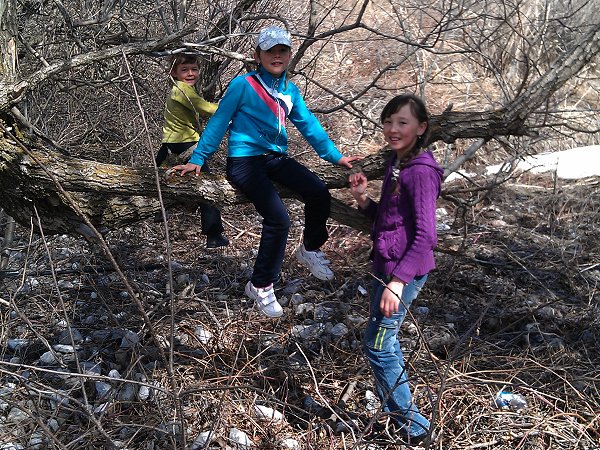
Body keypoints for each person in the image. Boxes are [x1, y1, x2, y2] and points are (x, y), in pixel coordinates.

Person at [173, 25, 360, 318]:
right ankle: (260, 285)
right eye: (270, 50)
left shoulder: (289, 90)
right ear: (257, 55)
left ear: (288, 54)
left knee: (318, 191)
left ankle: (310, 248)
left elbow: (309, 125)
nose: (276, 55)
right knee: (279, 219)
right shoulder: (243, 85)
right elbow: (219, 121)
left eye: (282, 50)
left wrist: (334, 156)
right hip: (245, 161)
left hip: (275, 158)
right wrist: (199, 158)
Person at [349, 94, 443, 444]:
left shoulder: (420, 171)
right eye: (388, 121)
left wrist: (398, 282)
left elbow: (425, 236)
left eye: (402, 122)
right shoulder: (398, 162)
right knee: (382, 342)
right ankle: (399, 417)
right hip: (389, 266)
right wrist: (363, 200)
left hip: (403, 272)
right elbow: (391, 222)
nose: (393, 129)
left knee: (378, 345)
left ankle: (414, 428)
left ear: (421, 129)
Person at [157, 54, 229, 249]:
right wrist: (230, 107)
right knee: (208, 188)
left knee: (157, 179)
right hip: (185, 144)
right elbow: (204, 108)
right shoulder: (182, 90)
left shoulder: (182, 89)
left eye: (194, 69)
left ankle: (157, 209)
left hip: (169, 144)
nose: (190, 73)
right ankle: (214, 235)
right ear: (174, 73)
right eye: (184, 70)